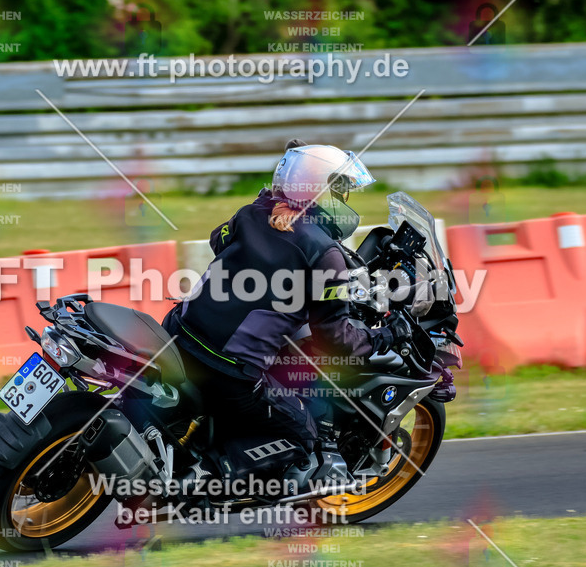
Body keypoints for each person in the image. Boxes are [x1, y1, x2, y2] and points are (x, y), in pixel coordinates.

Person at [163, 140, 410, 489]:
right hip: (227, 372)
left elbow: (219, 240)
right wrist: (388, 335)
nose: (343, 201)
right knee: (307, 434)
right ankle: (210, 478)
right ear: (321, 191)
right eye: (339, 192)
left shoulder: (250, 215)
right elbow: (335, 339)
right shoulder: (325, 254)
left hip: (179, 334)